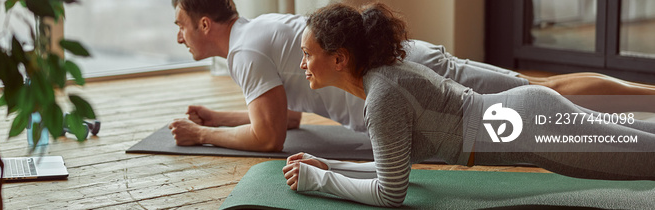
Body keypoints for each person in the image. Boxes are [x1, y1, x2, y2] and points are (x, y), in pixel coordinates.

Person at [282, 3, 655, 207]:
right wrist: (329, 164)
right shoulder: (383, 79)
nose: (301, 64)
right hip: (525, 116)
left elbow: (389, 193)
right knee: (643, 139)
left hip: (532, 130)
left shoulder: (382, 97)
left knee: (647, 158)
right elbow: (391, 166)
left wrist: (321, 180)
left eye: (306, 54)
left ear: (339, 58)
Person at [168, 0, 655, 152]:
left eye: (181, 26)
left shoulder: (244, 53)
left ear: (204, 24)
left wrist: (204, 134)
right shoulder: (258, 33)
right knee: (542, 96)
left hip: (415, 76)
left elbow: (270, 137)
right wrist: (220, 114)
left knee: (543, 93)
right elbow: (288, 117)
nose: (179, 37)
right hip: (413, 71)